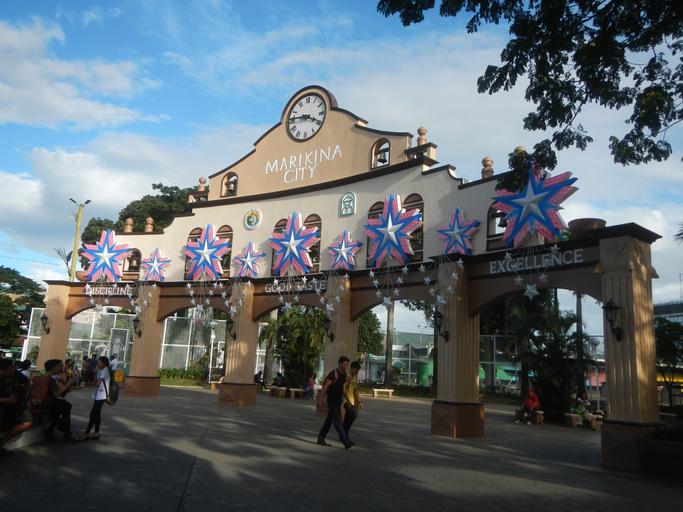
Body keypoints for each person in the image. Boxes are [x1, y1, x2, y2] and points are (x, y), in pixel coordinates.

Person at [317, 356, 354, 449]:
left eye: (347, 365)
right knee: (338, 422)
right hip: (332, 401)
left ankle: (321, 438)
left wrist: (348, 399)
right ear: (340, 364)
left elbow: (343, 389)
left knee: (329, 420)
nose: (346, 366)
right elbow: (325, 387)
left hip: (338, 401)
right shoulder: (333, 373)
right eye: (345, 364)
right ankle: (346, 442)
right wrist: (321, 399)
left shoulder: (344, 375)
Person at [0, 358, 33, 456]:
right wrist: (6, 400)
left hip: (16, 404)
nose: (13, 370)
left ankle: (1, 443)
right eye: (10, 369)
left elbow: (27, 382)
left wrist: (25, 395)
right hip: (3, 404)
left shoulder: (15, 373)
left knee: (28, 421)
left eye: (13, 368)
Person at [44, 359, 78, 442]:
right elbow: (56, 394)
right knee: (66, 406)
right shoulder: (51, 379)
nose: (62, 368)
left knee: (61, 408)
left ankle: (51, 431)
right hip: (48, 403)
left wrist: (67, 383)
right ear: (53, 368)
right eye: (60, 366)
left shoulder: (49, 376)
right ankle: (66, 433)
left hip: (48, 402)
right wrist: (68, 384)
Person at [81, 356, 111, 441]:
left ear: (104, 363)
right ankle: (96, 433)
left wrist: (93, 381)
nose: (97, 364)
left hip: (102, 396)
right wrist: (96, 372)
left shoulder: (105, 371)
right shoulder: (102, 370)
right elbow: (96, 382)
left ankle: (86, 433)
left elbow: (97, 383)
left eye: (99, 362)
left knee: (93, 414)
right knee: (96, 414)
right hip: (99, 395)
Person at [342, 361, 363, 437]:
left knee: (349, 417)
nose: (357, 372)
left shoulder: (354, 377)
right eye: (356, 370)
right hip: (345, 400)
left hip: (352, 400)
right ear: (352, 368)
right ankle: (344, 434)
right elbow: (343, 389)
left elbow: (355, 390)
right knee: (352, 415)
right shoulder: (346, 376)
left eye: (358, 371)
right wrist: (347, 400)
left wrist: (359, 401)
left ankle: (344, 434)